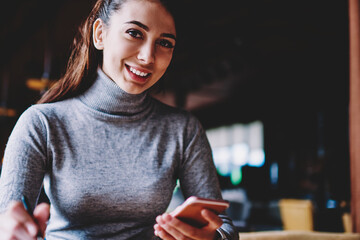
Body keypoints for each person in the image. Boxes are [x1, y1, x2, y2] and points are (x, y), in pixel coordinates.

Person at [0, 0, 239, 239]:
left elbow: (224, 227)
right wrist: (11, 230)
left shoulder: (183, 129)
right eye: (134, 33)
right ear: (100, 35)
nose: (148, 57)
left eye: (164, 43)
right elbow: (6, 218)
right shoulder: (41, 123)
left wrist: (211, 237)